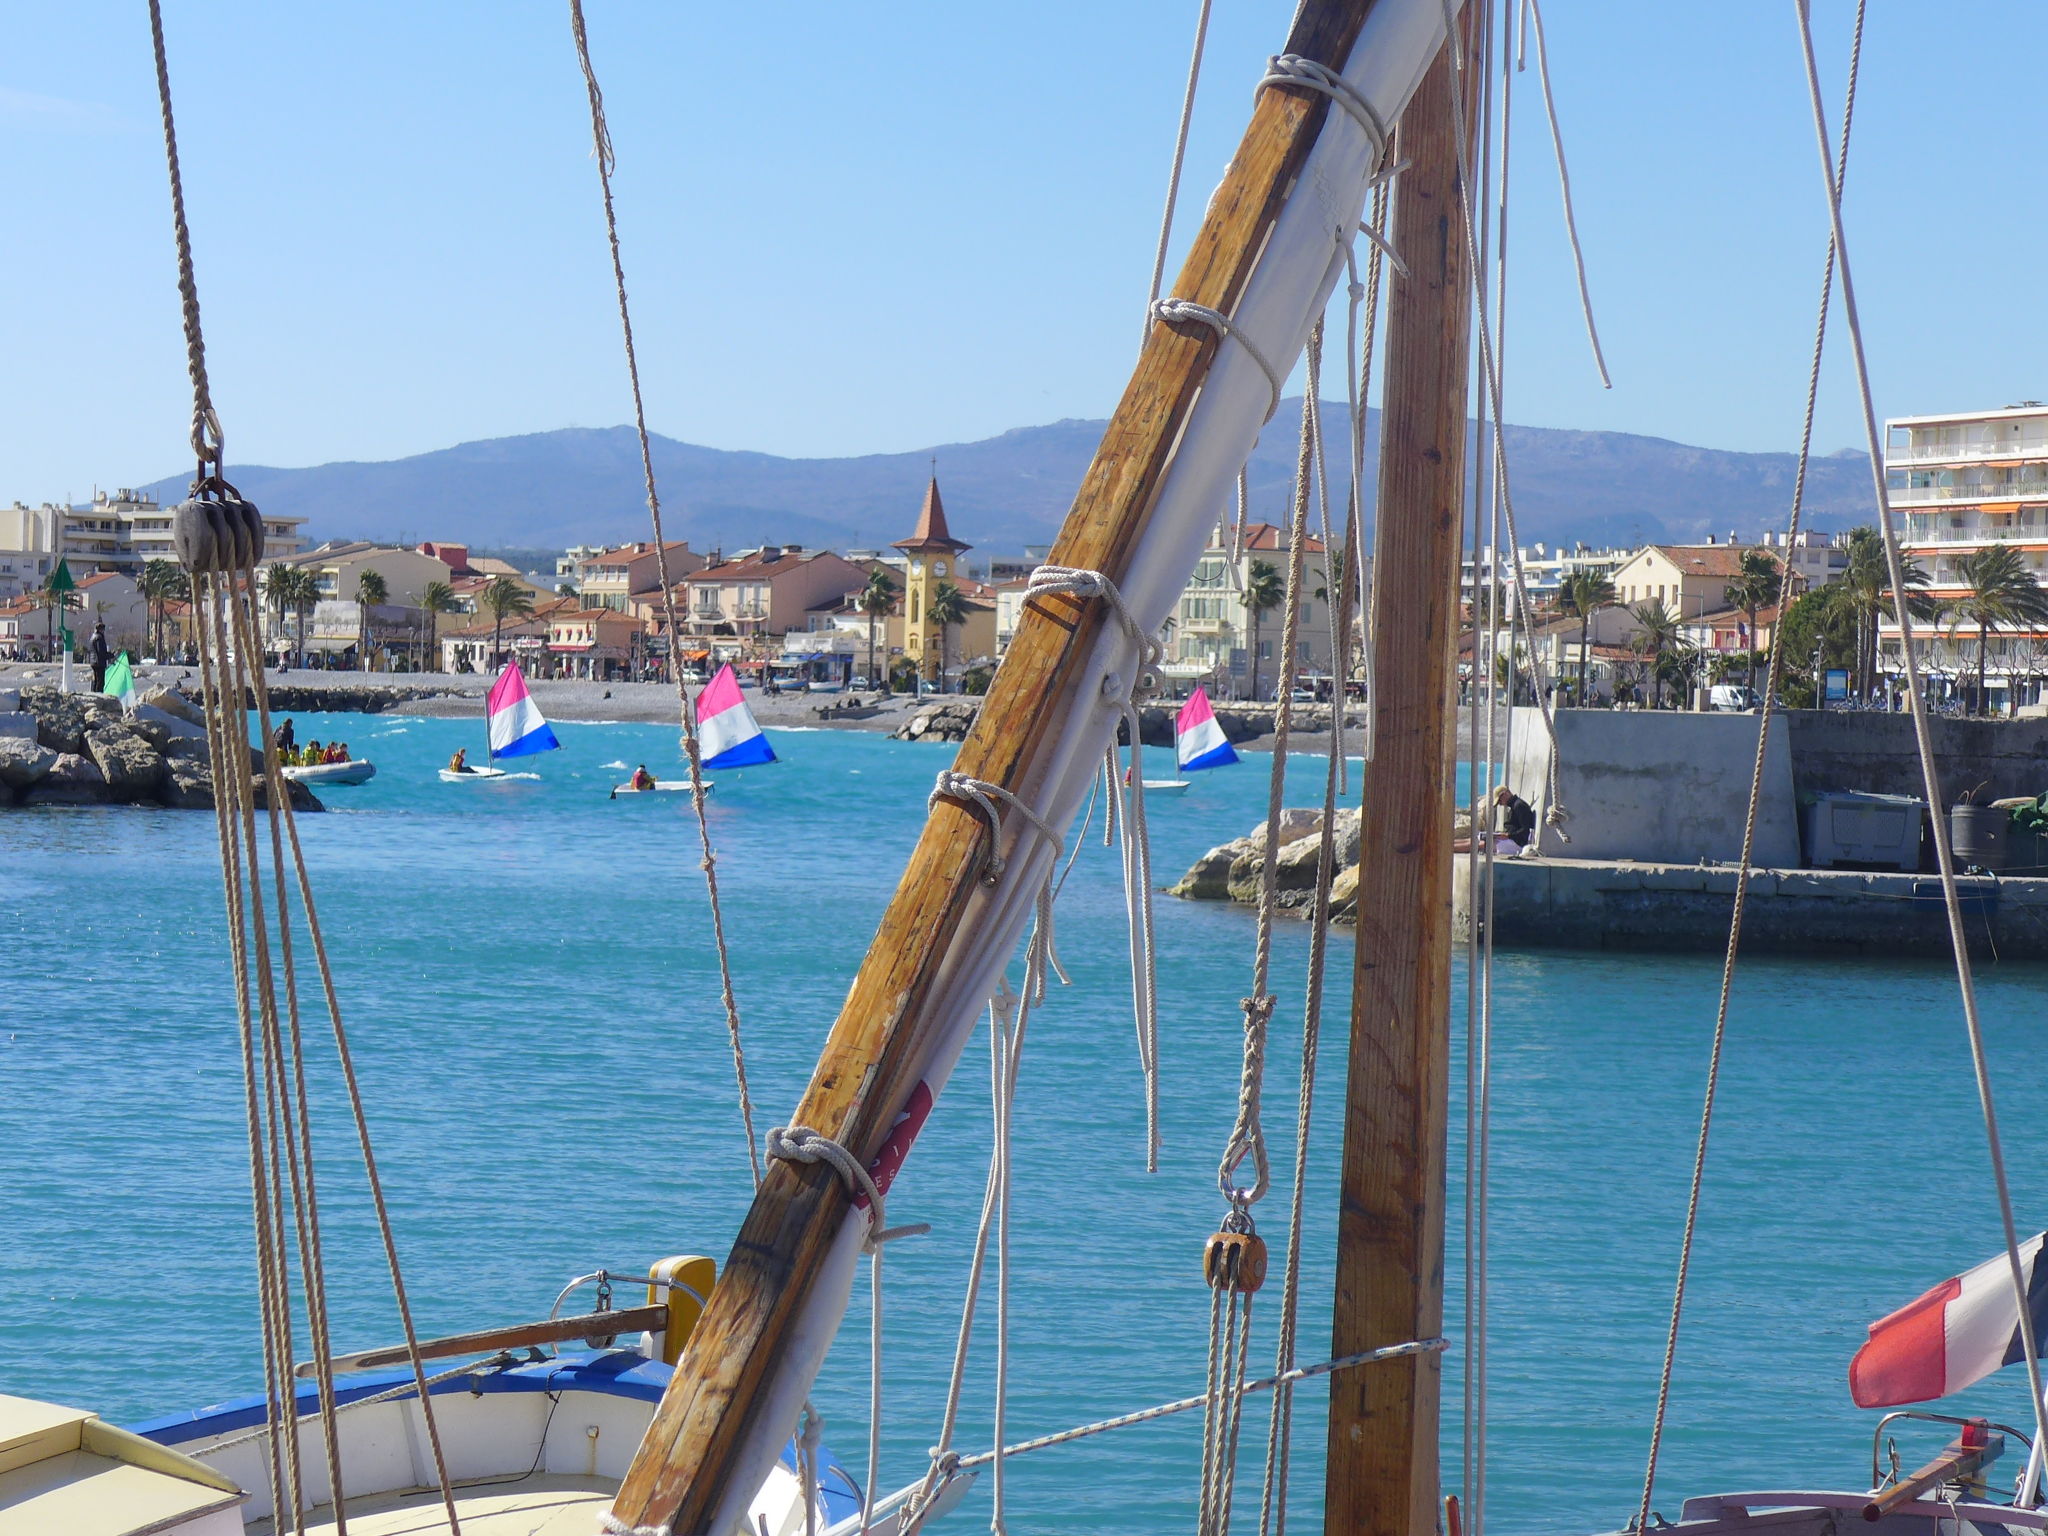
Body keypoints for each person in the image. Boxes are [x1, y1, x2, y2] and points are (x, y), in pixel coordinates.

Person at [1454, 784, 1537, 856]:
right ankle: (1448, 844)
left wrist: (1508, 836)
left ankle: (1450, 848)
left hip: (1518, 844)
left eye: (1500, 801)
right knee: (1475, 839)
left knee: (1481, 844)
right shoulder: (1516, 805)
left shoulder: (1519, 806)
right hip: (1512, 840)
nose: (1500, 804)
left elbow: (1525, 830)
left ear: (1505, 794)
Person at [90, 619, 111, 692]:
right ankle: (98, 695)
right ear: (101, 630)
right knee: (100, 682)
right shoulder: (99, 638)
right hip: (99, 663)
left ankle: (93, 693)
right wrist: (110, 655)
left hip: (94, 662)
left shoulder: (93, 636)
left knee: (95, 680)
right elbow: (101, 652)